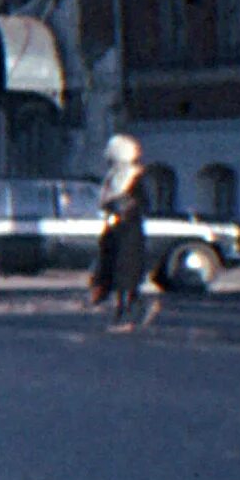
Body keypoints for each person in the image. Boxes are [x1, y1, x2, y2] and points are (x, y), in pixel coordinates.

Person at [91, 133, 155, 331]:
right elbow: (106, 200)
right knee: (110, 270)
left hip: (129, 234)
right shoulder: (113, 176)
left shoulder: (135, 176)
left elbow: (142, 202)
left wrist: (125, 208)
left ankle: (128, 311)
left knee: (125, 272)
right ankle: (123, 309)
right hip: (114, 230)